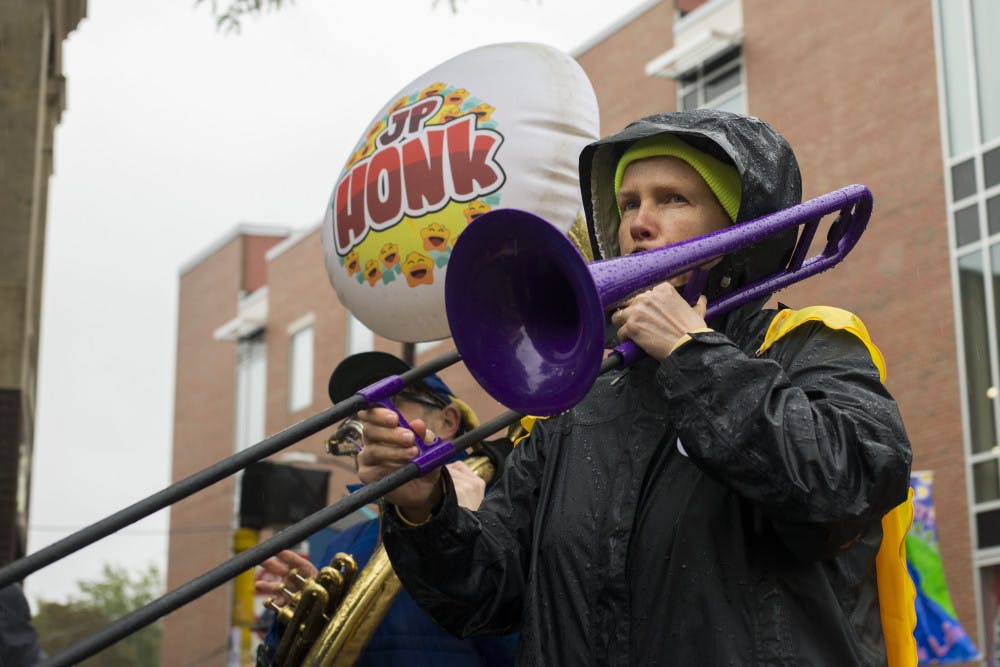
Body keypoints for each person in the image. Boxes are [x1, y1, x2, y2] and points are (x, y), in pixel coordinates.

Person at [356, 109, 915, 665]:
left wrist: (693, 354)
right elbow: (486, 597)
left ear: (739, 228)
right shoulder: (576, 403)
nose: (637, 225)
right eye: (628, 205)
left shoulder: (808, 344)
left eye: (672, 199)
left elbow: (848, 487)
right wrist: (424, 511)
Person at [255, 351, 519, 667]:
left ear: (448, 421)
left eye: (390, 402)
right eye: (357, 415)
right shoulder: (344, 545)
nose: (368, 423)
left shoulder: (505, 511)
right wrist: (299, 623)